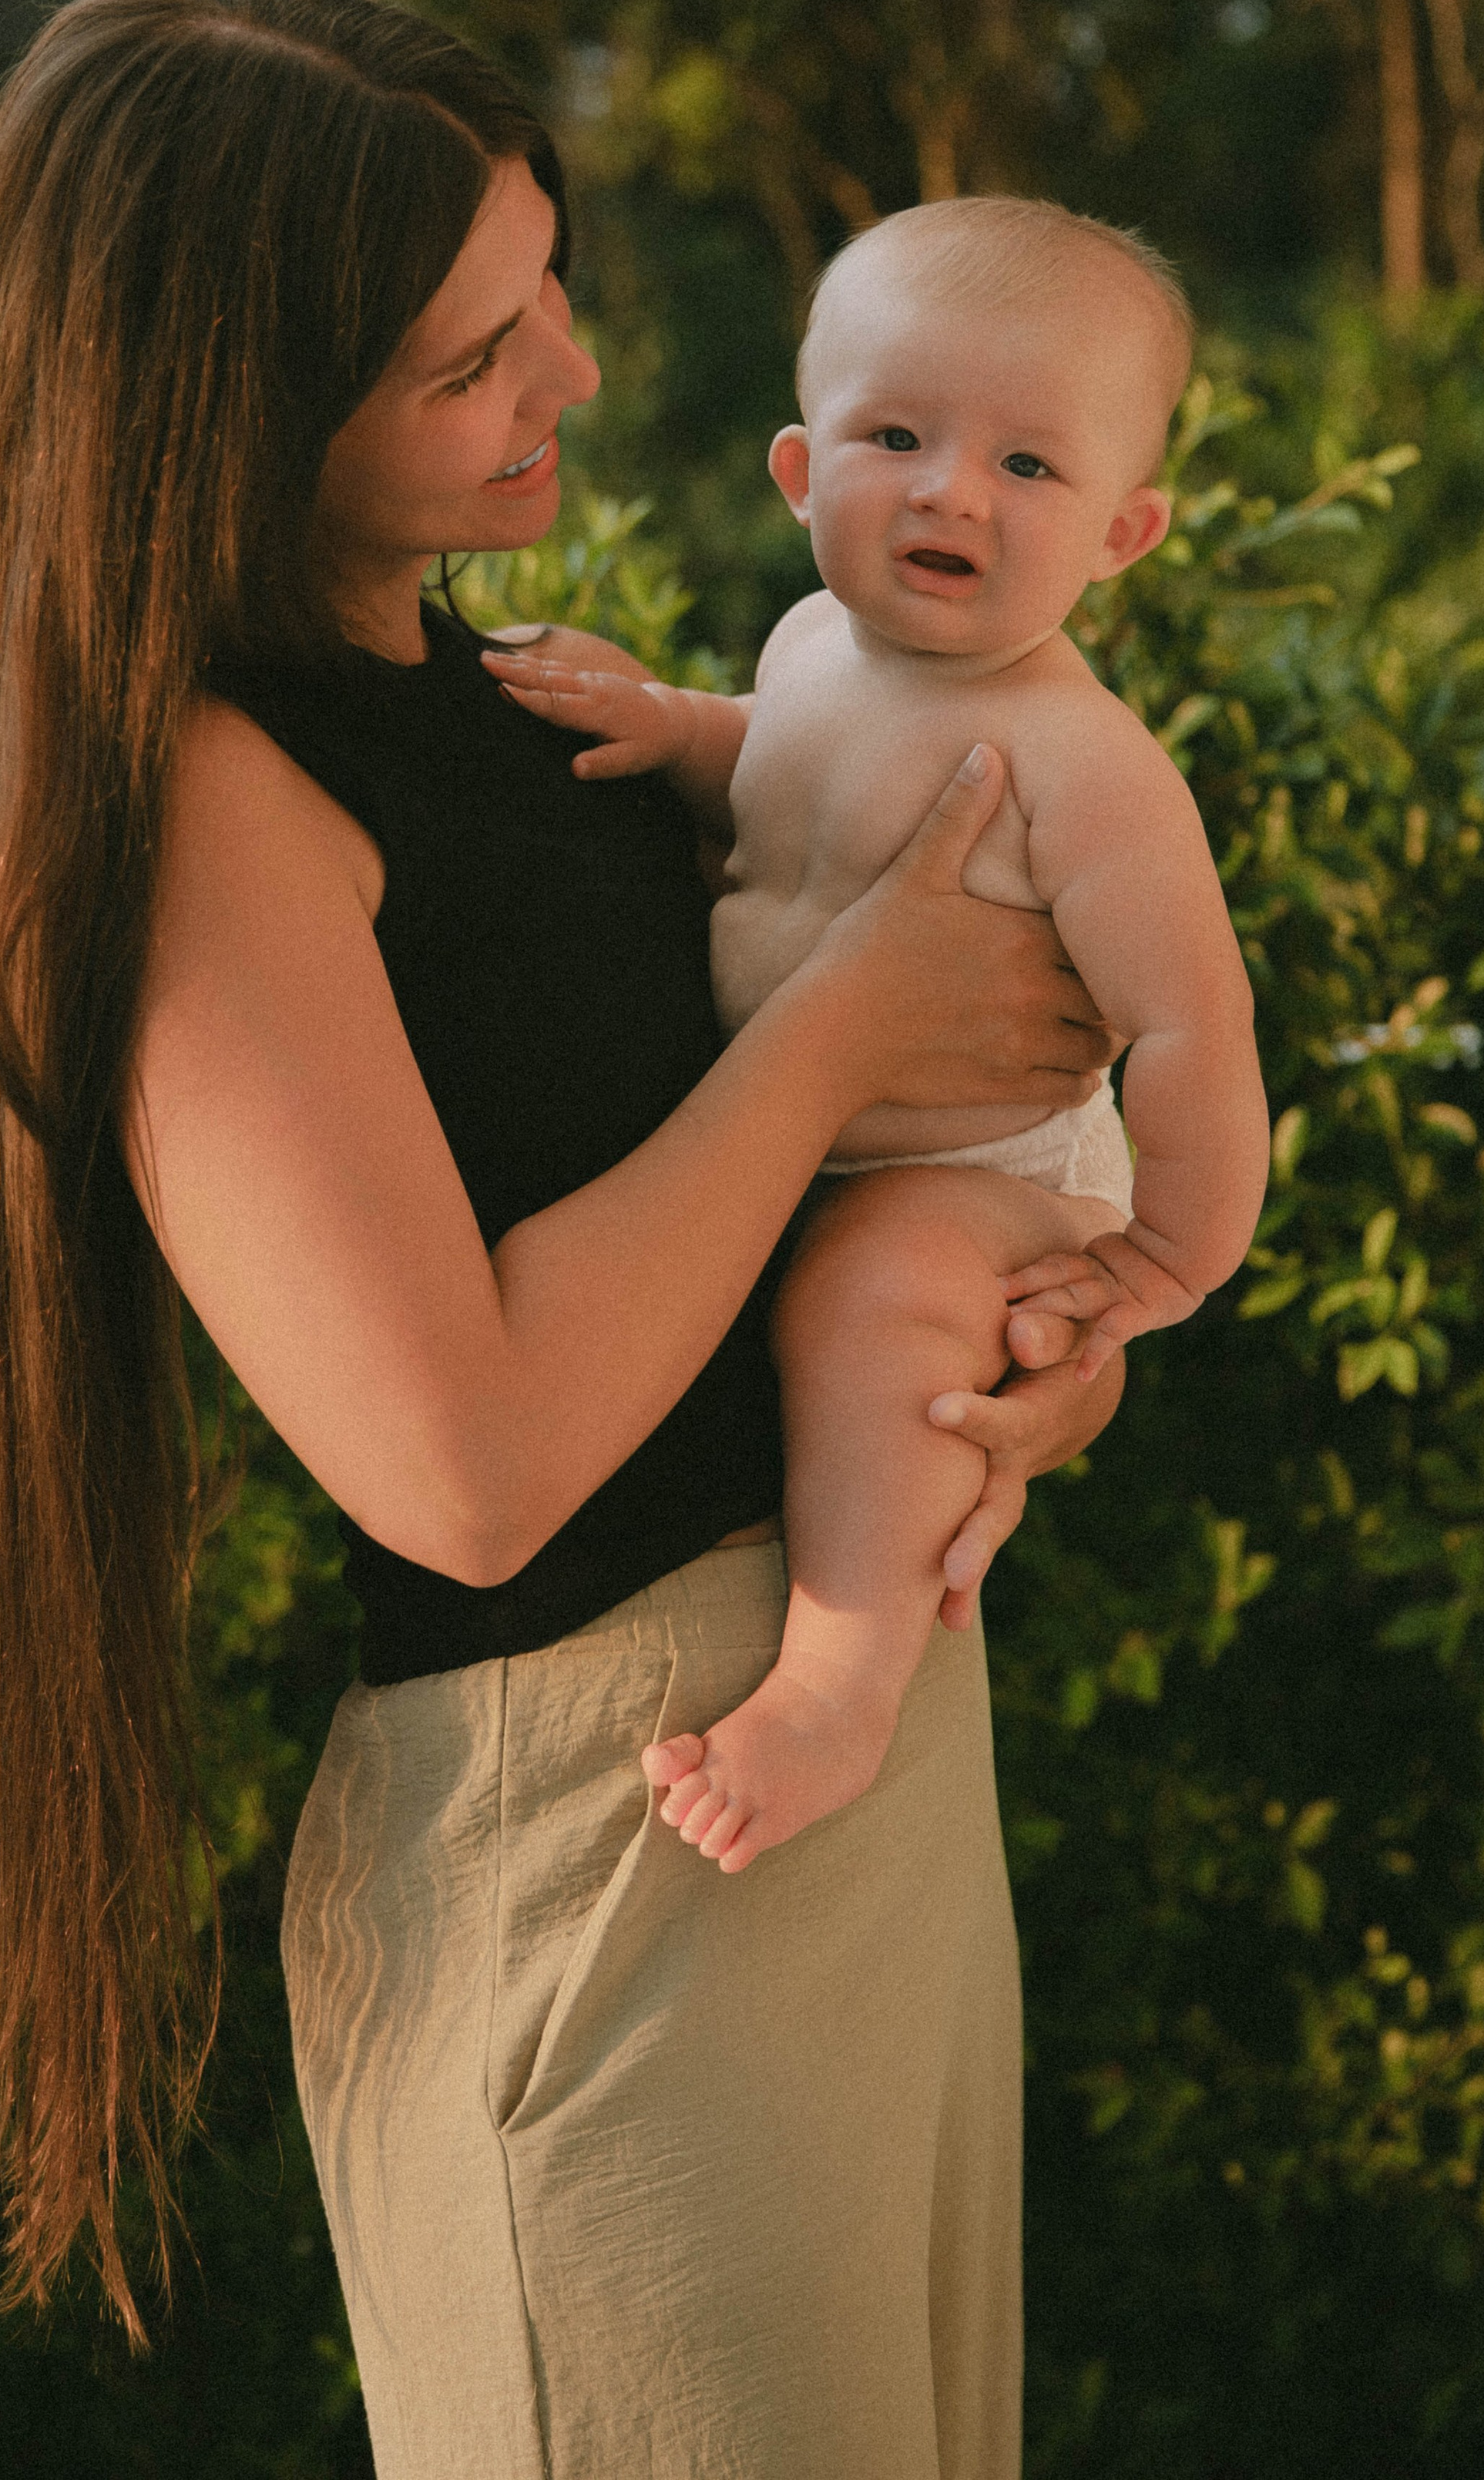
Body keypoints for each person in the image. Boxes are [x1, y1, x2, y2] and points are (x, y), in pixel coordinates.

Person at [0, 0, 1127, 2480]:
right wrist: (849, 1027)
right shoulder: (211, 808)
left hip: (853, 1779)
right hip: (605, 1856)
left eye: (545, 283)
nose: (565, 376)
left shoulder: (507, 707)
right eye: (471, 358)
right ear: (222, 409)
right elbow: (463, 1463)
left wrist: (1019, 1364)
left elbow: (738, 1232)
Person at [490, 198, 1270, 1873]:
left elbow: (1189, 1022)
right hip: (813, 1129)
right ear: (798, 472)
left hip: (981, 1164)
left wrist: (1170, 1257)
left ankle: (838, 1684)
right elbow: (772, 763)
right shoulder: (807, 650)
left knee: (870, 1303)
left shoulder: (1085, 765)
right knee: (790, 1268)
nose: (947, 491)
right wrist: (661, 726)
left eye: (1025, 467)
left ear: (1120, 535)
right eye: (896, 436)